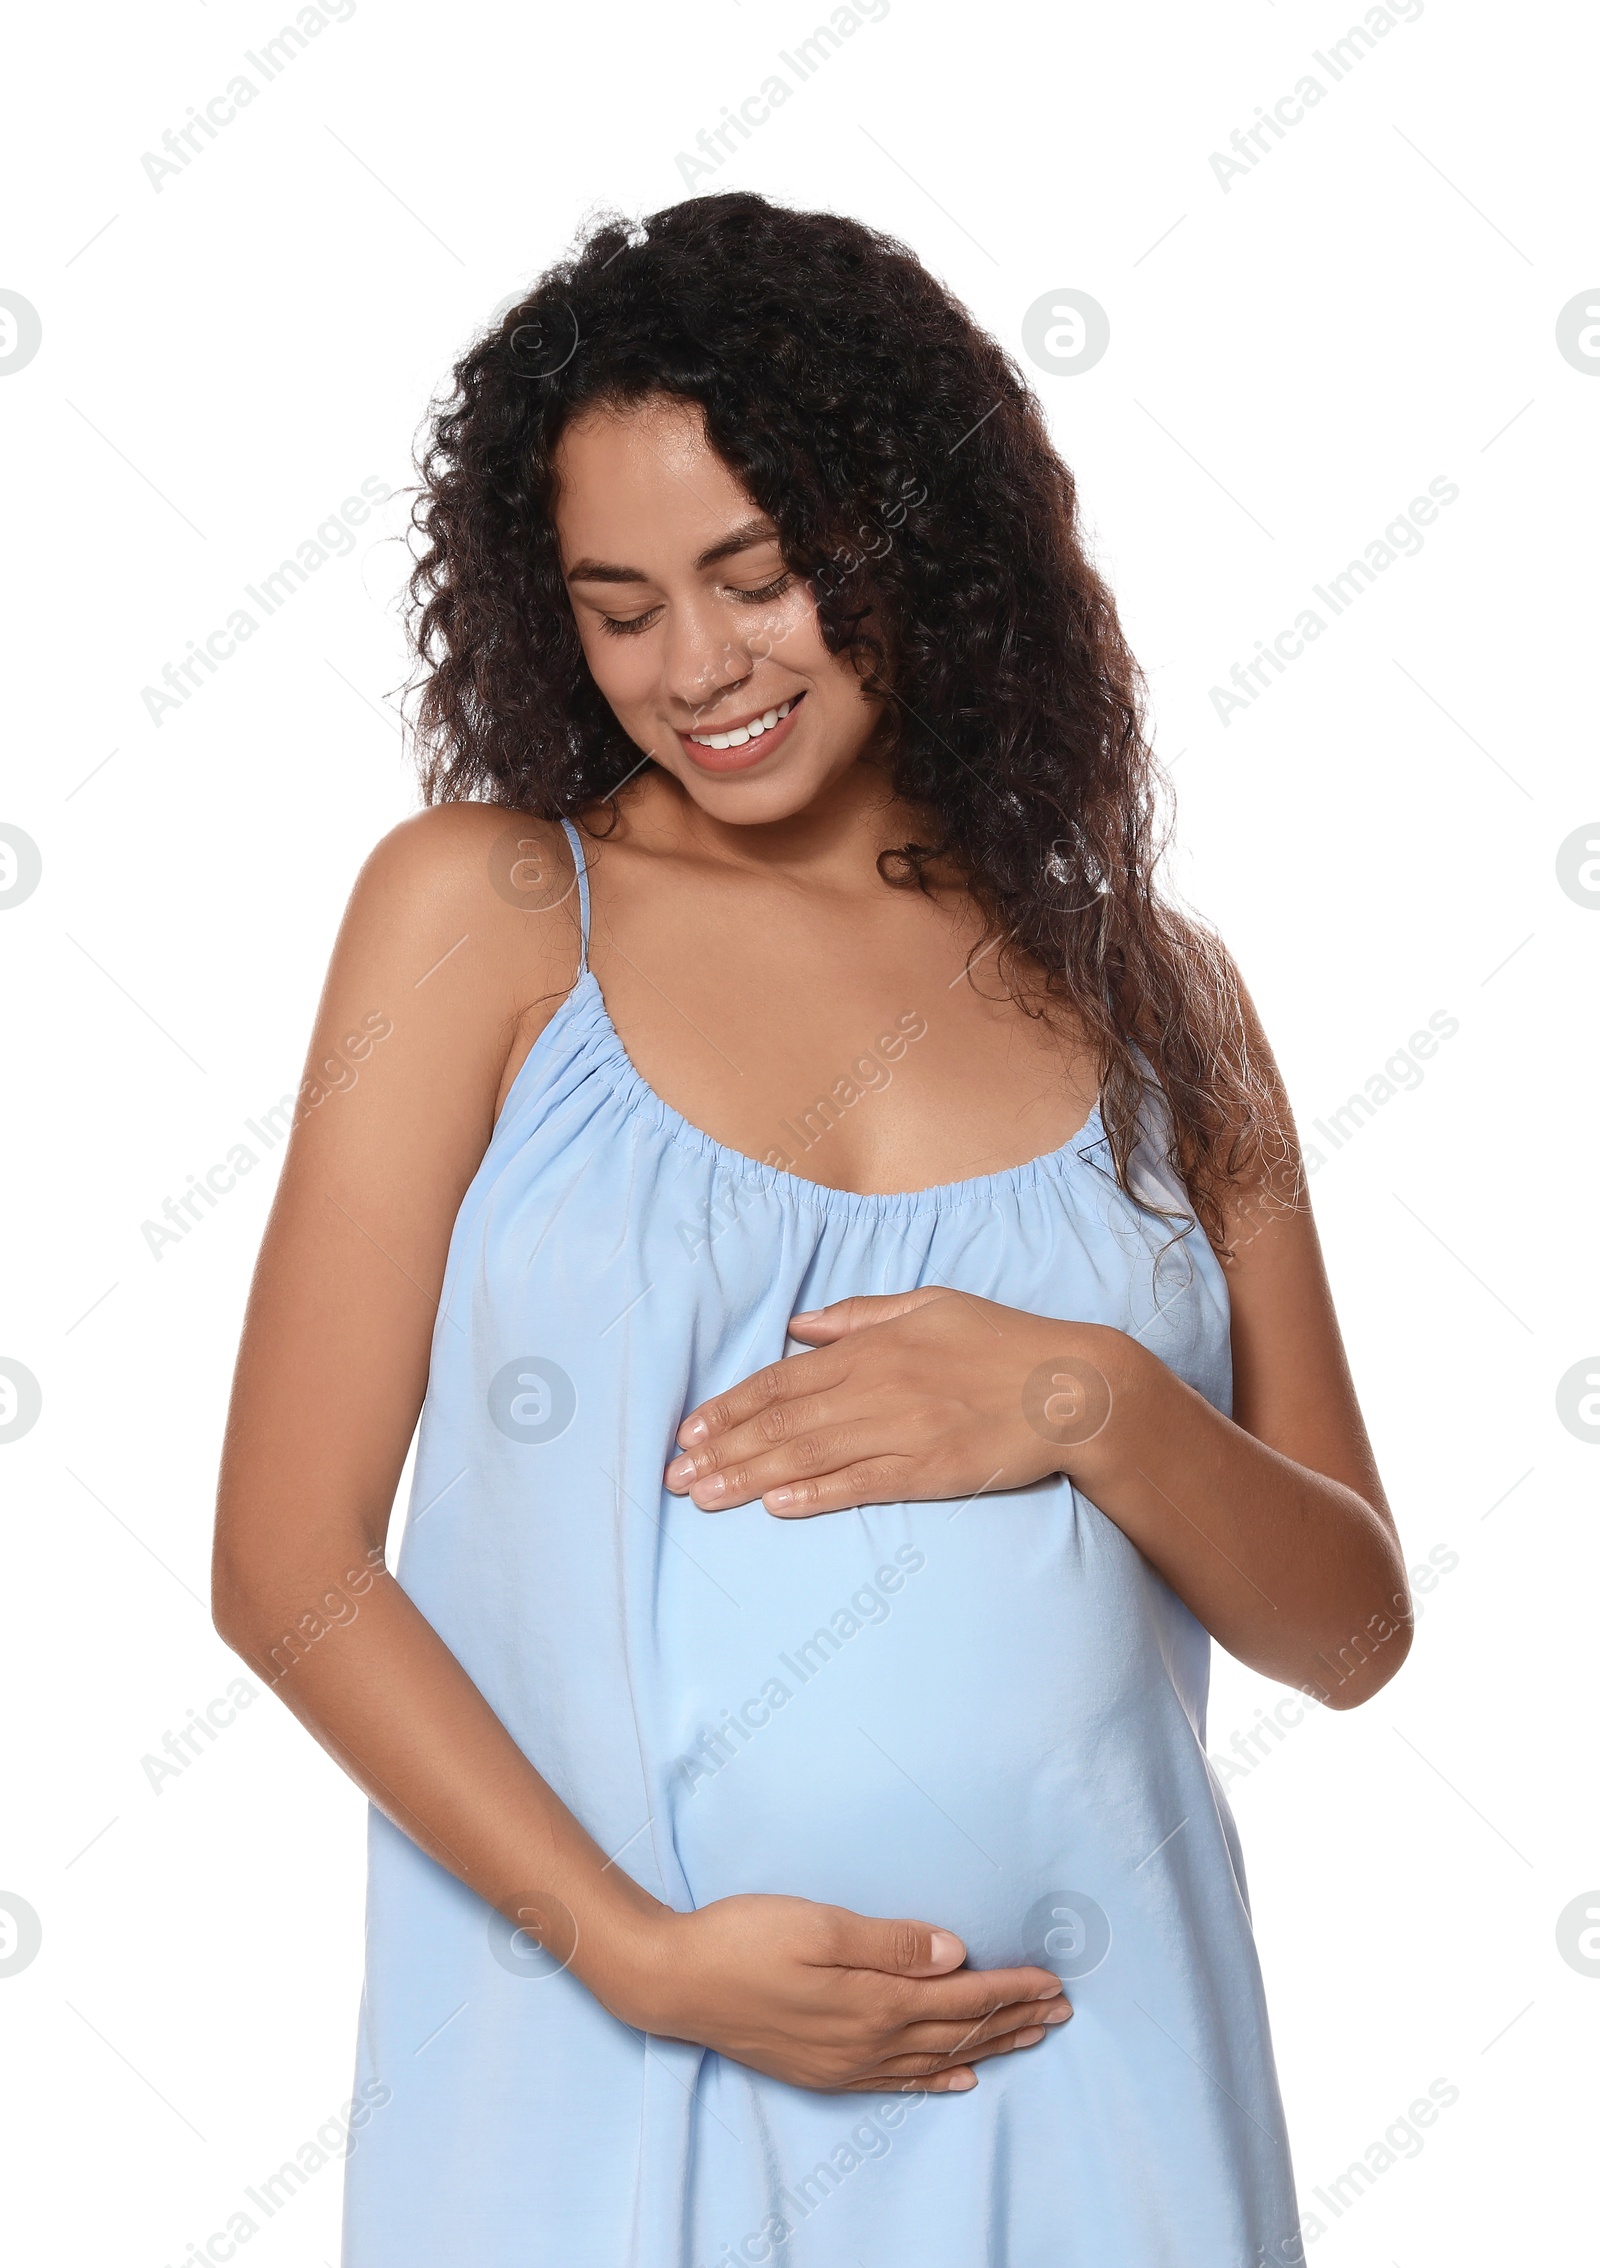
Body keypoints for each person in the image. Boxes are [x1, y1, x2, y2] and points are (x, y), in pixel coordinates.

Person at [212, 192, 1409, 2268]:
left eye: (758, 578)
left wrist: (1089, 1400)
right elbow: (285, 1569)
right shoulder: (484, 917)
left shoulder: (1157, 997)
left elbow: (1344, 1630)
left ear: (917, 545)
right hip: (601, 2069)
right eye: (618, 606)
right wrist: (636, 1953)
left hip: (1095, 2082)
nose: (696, 669)